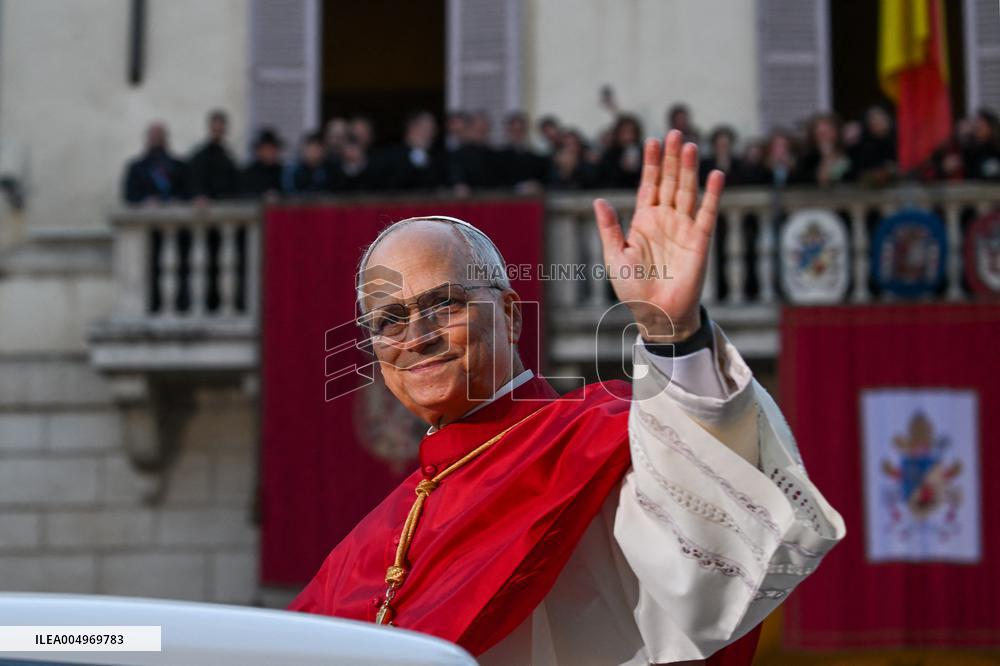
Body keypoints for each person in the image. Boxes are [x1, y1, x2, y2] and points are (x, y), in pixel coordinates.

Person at [289, 130, 845, 664]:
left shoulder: (600, 435)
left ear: (508, 314)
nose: (418, 335)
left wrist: (677, 334)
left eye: (445, 305)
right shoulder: (362, 549)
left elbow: (718, 508)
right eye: (389, 319)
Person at [122, 122, 188, 204]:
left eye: (160, 138)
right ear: (148, 140)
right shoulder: (136, 168)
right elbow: (129, 196)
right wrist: (145, 201)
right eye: (154, 138)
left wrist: (177, 200)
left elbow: (188, 193)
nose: (157, 142)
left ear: (166, 140)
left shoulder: (180, 166)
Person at [380, 110, 446, 191]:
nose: (429, 134)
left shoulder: (438, 155)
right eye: (424, 128)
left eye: (432, 129)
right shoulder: (390, 154)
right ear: (411, 127)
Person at [188, 109, 240, 200]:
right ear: (210, 128)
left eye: (220, 129)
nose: (218, 132)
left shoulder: (228, 156)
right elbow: (195, 182)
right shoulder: (200, 156)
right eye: (215, 129)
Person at [792, 114, 850, 186]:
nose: (825, 138)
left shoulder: (849, 153)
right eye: (821, 134)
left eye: (828, 132)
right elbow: (819, 181)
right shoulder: (807, 157)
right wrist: (826, 159)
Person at [497, 111, 549, 192]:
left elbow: (542, 180)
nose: (517, 134)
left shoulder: (535, 157)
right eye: (514, 130)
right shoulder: (499, 157)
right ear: (508, 131)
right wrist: (519, 187)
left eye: (520, 130)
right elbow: (497, 182)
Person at [847, 106, 897, 186]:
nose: (877, 122)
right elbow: (856, 172)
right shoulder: (862, 146)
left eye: (880, 118)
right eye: (873, 120)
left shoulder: (900, 141)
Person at [598, 114, 644, 188]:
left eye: (631, 132)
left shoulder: (642, 152)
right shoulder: (610, 154)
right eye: (624, 132)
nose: (628, 136)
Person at [241, 128, 285, 197]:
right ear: (258, 151)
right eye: (266, 149)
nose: (270, 152)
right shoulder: (249, 173)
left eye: (273, 148)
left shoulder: (283, 172)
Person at [963, 108, 1000, 180]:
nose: (977, 126)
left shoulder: (996, 148)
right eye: (976, 124)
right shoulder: (969, 149)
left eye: (982, 125)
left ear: (990, 127)